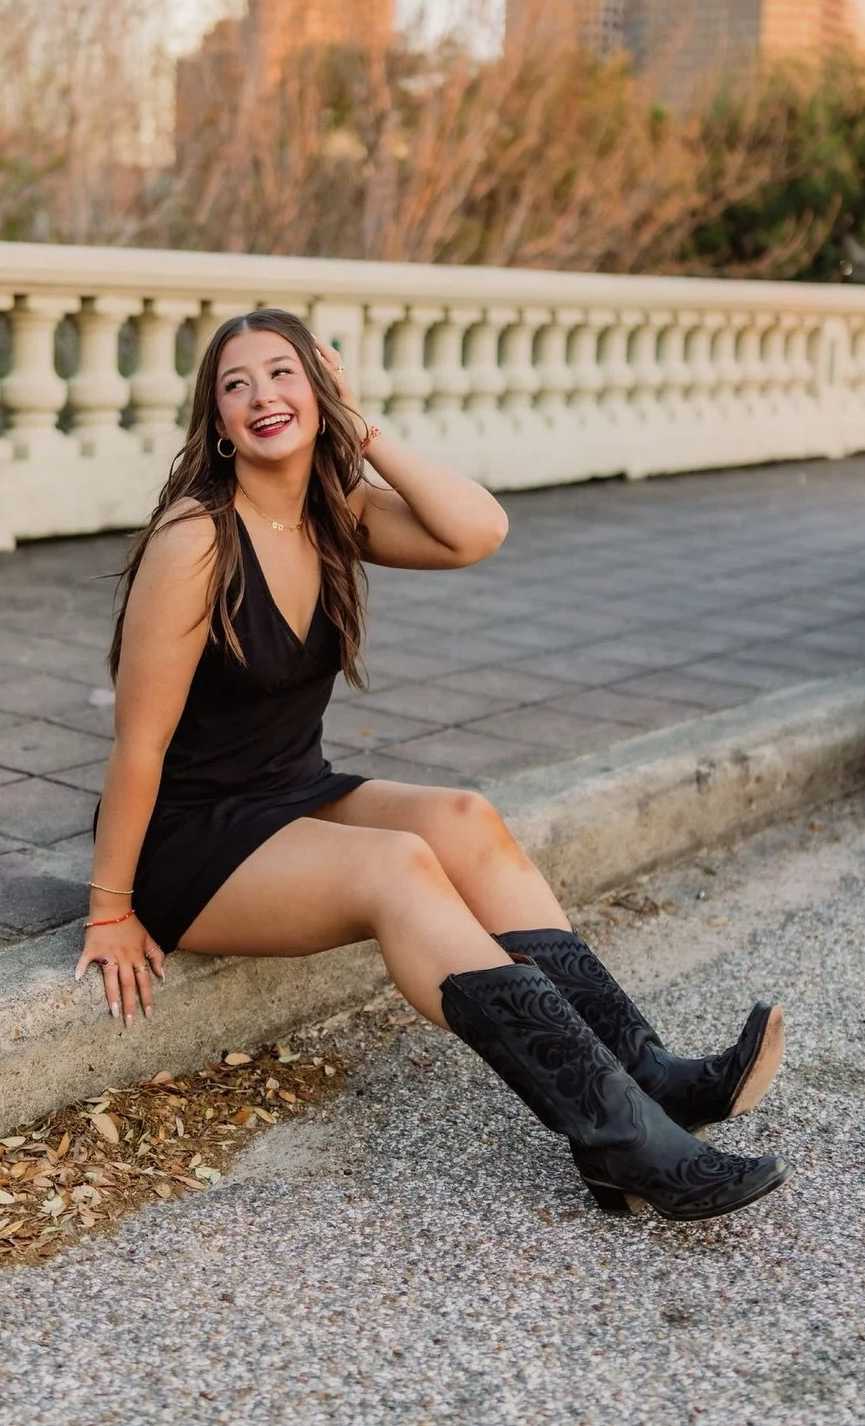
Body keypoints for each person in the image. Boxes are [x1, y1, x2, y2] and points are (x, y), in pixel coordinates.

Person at [79, 308, 789, 1221]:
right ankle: (628, 1144)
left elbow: (476, 531)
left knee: (463, 817)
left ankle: (647, 1076)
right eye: (236, 383)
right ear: (216, 424)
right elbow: (138, 742)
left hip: (287, 794)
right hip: (189, 840)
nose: (263, 396)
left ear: (321, 389)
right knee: (398, 866)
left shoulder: (333, 514)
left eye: (285, 373)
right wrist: (110, 908)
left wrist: (363, 430)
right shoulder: (198, 540)